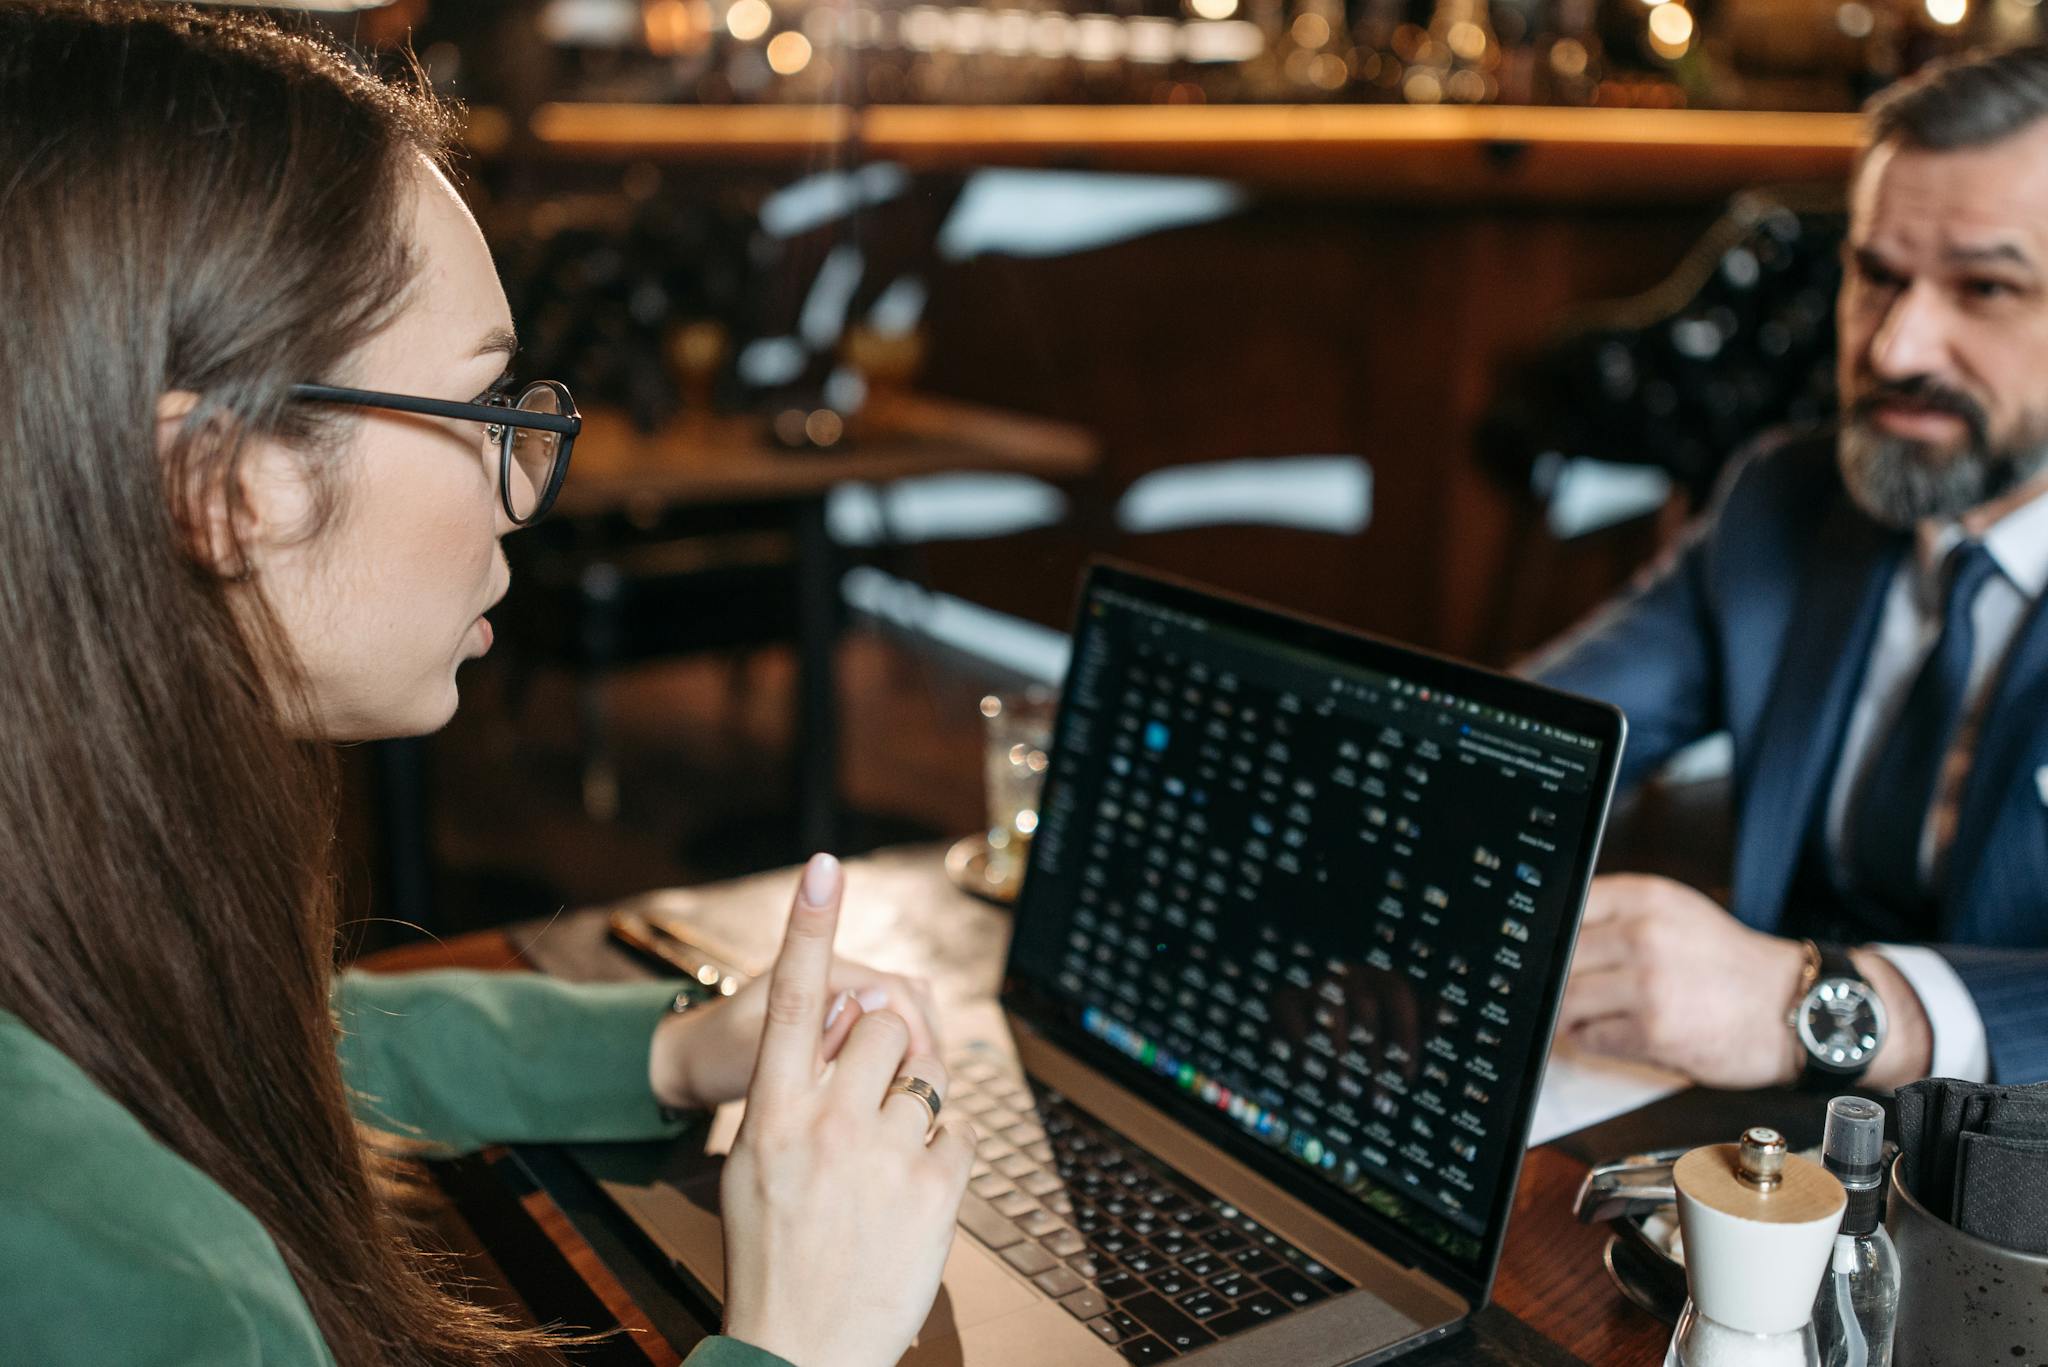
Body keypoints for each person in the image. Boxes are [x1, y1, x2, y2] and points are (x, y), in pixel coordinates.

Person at [0, 6, 972, 1365]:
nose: (523, 493)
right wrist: (801, 1332)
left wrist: (667, 1048)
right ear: (216, 485)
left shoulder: (59, 934)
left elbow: (251, 1049)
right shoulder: (146, 1282)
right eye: (484, 413)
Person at [1534, 45, 2048, 1091]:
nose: (1897, 347)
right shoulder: (1781, 497)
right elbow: (1529, 742)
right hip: (1767, 1163)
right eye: (1876, 275)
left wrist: (1808, 1002)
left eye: (1984, 287)